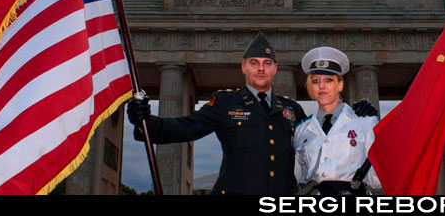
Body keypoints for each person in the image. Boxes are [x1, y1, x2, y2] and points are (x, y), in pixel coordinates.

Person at [127, 31, 306, 195]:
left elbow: (315, 147)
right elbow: (185, 127)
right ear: (244, 67)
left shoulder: (292, 109)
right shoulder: (225, 102)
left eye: (267, 63)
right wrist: (144, 121)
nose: (261, 69)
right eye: (254, 63)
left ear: (275, 69)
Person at [294, 46, 382, 195]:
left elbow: (377, 181)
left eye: (328, 80)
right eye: (315, 81)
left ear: (340, 85)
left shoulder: (365, 123)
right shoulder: (302, 130)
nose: (322, 86)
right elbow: (299, 177)